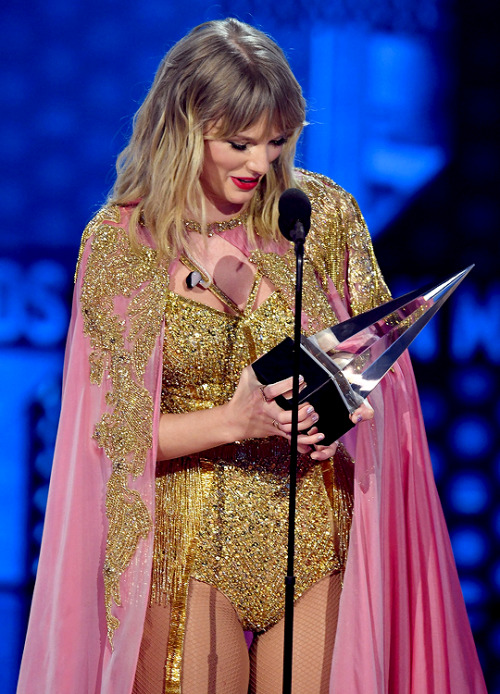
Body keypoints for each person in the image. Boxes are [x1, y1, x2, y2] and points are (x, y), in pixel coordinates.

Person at [17, 17, 486, 694]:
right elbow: (109, 440)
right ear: (184, 125)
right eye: (238, 143)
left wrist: (346, 411)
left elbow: (389, 384)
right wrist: (236, 422)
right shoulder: (124, 243)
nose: (259, 165)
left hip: (317, 541)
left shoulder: (322, 215)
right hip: (190, 554)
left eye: (275, 142)